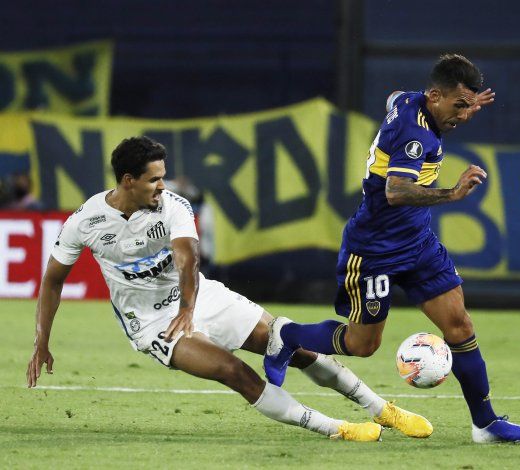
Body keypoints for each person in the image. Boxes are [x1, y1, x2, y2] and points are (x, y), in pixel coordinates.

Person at [26, 136, 434, 443]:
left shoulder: (172, 206)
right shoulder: (85, 221)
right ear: (128, 181)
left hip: (201, 297)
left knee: (295, 349)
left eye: (163, 177)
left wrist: (188, 308)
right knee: (234, 371)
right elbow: (52, 279)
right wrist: (42, 340)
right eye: (154, 179)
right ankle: (337, 429)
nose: (163, 186)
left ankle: (381, 409)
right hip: (152, 323)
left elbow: (188, 259)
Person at [264, 54, 520, 443]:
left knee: (460, 326)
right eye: (459, 105)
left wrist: (461, 102)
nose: (464, 116)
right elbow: (395, 192)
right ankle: (289, 335)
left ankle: (486, 424)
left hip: (418, 243)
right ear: (435, 96)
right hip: (374, 249)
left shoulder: (411, 100)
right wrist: (452, 193)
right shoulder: (416, 136)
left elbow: (393, 97)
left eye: (468, 106)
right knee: (362, 345)